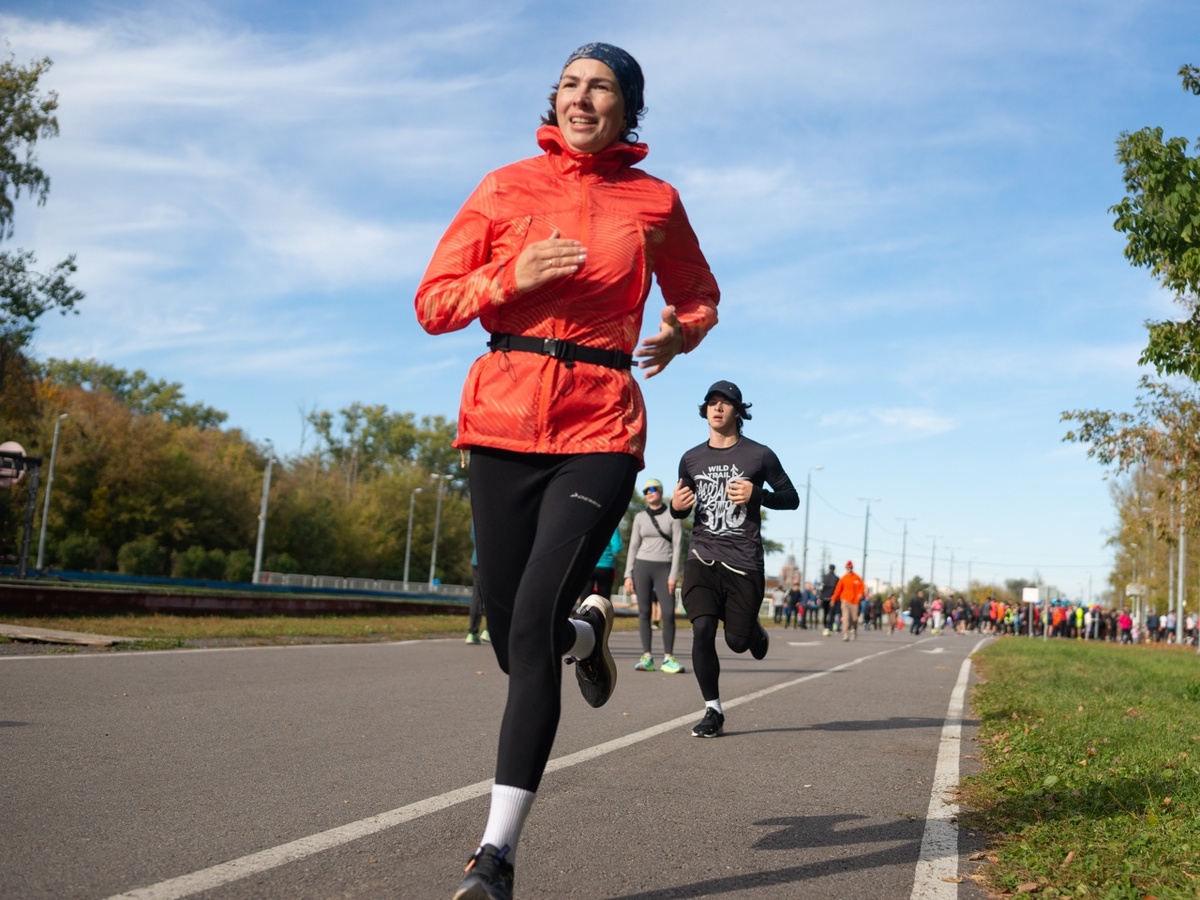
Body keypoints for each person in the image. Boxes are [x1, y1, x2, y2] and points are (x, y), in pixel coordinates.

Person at [415, 42, 720, 900]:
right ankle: (588, 637)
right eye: (572, 86)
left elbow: (701, 294)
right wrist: (511, 273)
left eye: (604, 89)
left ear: (629, 111)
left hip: (600, 420)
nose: (584, 100)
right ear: (556, 101)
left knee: (531, 619)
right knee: (521, 635)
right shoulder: (506, 185)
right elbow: (433, 302)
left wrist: (679, 332)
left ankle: (496, 857)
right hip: (503, 415)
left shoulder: (653, 201)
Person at [670, 380, 799, 738]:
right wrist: (674, 507)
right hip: (703, 556)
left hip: (743, 561)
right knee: (702, 629)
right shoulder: (691, 458)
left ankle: (751, 630)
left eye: (725, 402)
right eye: (711, 402)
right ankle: (713, 710)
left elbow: (791, 498)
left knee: (737, 643)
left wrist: (758, 494)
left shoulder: (759, 455)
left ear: (739, 411)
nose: (717, 407)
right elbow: (681, 506)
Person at [623, 477, 685, 674]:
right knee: (644, 612)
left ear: (660, 491)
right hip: (642, 566)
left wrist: (673, 575)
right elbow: (633, 546)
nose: (649, 493)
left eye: (653, 489)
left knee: (667, 612)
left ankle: (668, 657)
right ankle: (647, 656)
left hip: (665, 567)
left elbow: (678, 546)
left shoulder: (673, 516)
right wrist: (628, 574)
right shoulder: (640, 517)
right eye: (646, 491)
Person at [579, 526, 622, 603]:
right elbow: (617, 546)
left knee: (585, 601)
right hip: (606, 566)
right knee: (603, 602)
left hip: (587, 565)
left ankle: (583, 614)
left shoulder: (588, 521)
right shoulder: (612, 523)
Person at [831, 560, 865, 641]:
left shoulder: (857, 578)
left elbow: (862, 587)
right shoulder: (843, 578)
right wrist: (833, 599)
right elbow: (838, 589)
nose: (849, 569)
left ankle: (854, 630)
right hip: (845, 601)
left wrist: (861, 594)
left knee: (854, 619)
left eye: (850, 567)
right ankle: (845, 634)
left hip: (855, 602)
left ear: (852, 568)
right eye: (847, 568)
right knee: (845, 618)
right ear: (846, 568)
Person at [820, 564, 838, 635]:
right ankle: (829, 626)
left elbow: (821, 587)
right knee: (831, 613)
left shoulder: (825, 577)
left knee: (825, 612)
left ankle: (825, 626)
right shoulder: (836, 578)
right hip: (832, 598)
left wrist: (820, 596)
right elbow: (837, 589)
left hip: (824, 597)